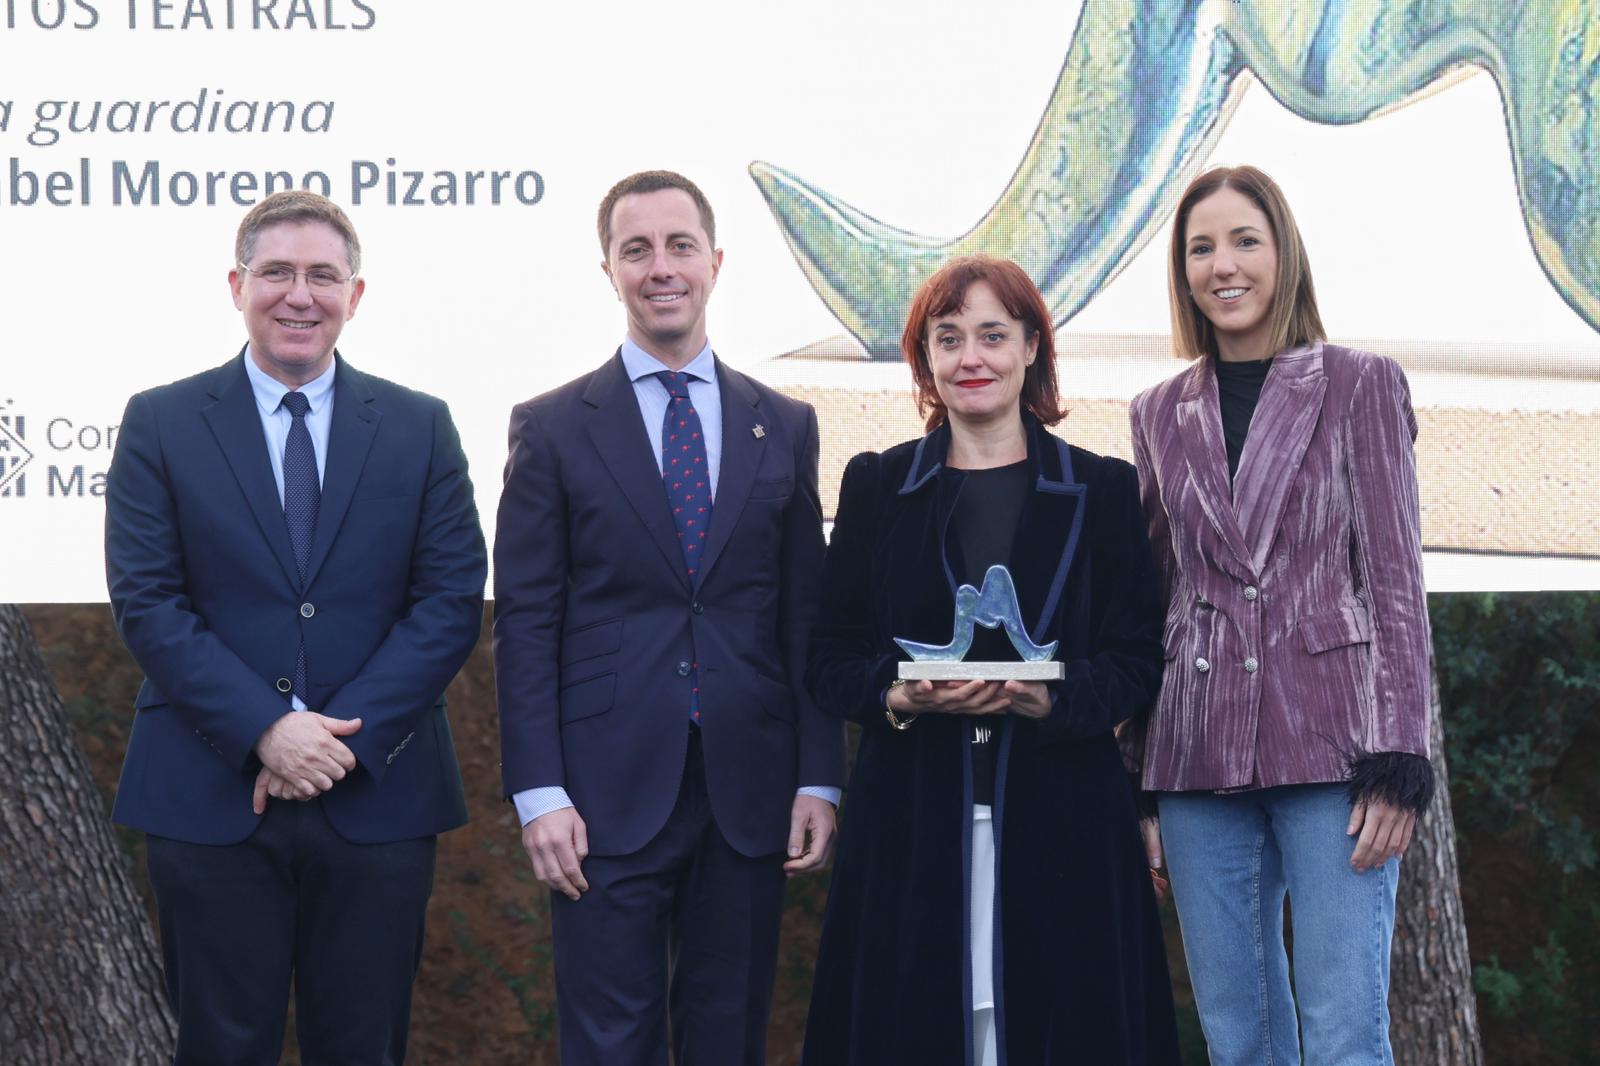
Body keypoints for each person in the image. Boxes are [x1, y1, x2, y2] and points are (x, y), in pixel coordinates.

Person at [104, 189, 487, 1065]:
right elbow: (147, 601)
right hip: (209, 794)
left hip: (375, 793)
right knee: (219, 1047)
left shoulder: (419, 426)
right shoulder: (160, 422)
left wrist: (341, 742)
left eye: (323, 275)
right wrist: (267, 730)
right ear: (237, 285)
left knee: (363, 1047)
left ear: (357, 295)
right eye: (276, 272)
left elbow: (449, 599)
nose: (299, 295)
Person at [492, 169, 847, 1066]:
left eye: (679, 245)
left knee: (728, 1036)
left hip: (750, 787)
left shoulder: (786, 423)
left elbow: (804, 615)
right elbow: (526, 623)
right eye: (637, 248)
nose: (661, 267)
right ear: (608, 269)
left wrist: (819, 776)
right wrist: (539, 793)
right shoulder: (552, 428)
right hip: (601, 796)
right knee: (610, 1044)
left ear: (715, 263)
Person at [801, 254, 1182, 1066]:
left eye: (991, 335)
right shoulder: (877, 484)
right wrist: (901, 695)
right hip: (911, 828)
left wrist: (1060, 701)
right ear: (925, 358)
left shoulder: (1103, 487)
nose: (970, 357)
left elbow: (1139, 655)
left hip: (1066, 828)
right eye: (948, 338)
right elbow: (830, 657)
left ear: (1033, 347)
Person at [1128, 164, 1435, 1066]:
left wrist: (1401, 756)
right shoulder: (1156, 413)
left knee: (1346, 1036)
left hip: (1336, 751)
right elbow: (1158, 593)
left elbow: (1395, 581)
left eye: (1244, 240)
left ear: (1283, 253)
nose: (1224, 264)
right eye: (1200, 247)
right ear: (1183, 271)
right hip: (1195, 755)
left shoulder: (1360, 383)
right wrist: (1138, 775)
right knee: (1239, 1041)